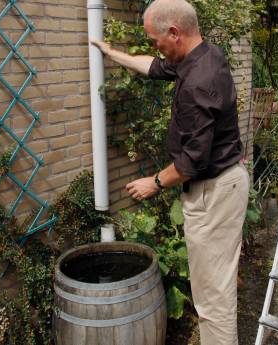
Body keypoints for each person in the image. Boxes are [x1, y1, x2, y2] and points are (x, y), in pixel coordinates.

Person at [92, 1, 249, 344]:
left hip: (214, 193)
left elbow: (192, 161)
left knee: (213, 298)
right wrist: (110, 52)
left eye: (154, 39)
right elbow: (153, 67)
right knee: (213, 288)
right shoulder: (204, 56)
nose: (154, 46)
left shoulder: (197, 82)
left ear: (174, 33)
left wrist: (155, 182)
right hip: (224, 184)